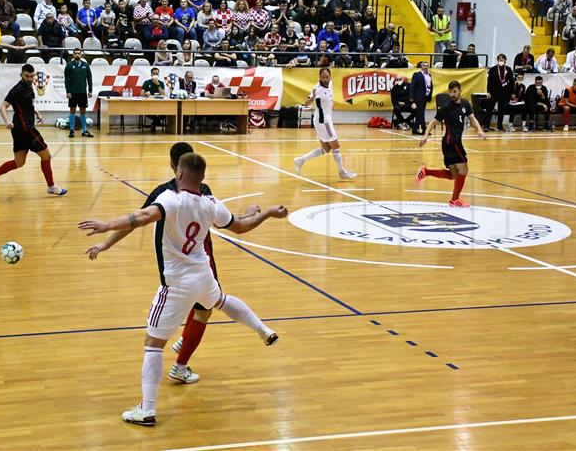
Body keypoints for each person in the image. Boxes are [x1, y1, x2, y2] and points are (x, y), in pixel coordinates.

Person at [80, 152, 286, 426]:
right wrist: (267, 213)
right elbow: (242, 226)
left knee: (153, 345)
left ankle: (147, 410)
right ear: (203, 178)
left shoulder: (170, 198)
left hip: (176, 284)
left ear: (178, 174)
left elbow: (142, 217)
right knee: (220, 301)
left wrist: (106, 225)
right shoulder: (211, 203)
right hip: (204, 274)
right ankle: (262, 329)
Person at [0, 64, 67, 196]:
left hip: (19, 130)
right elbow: (3, 106)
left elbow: (27, 105)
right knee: (46, 156)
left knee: (19, 162)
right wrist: (7, 121)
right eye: (27, 76)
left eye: (32, 76)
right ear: (21, 74)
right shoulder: (17, 89)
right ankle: (51, 186)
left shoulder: (29, 86)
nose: (30, 78)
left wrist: (36, 112)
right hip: (26, 129)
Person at [416, 80, 486, 208]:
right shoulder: (446, 107)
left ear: (460, 91)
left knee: (454, 175)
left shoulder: (465, 103)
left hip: (450, 143)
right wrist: (425, 136)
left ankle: (426, 172)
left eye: (454, 91)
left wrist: (480, 130)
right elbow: (433, 122)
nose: (452, 94)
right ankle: (455, 200)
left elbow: (472, 118)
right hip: (451, 142)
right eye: (450, 92)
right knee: (464, 169)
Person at [293, 68, 357, 180]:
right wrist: (313, 97)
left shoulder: (330, 83)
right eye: (323, 77)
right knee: (336, 146)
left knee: (326, 148)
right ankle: (342, 172)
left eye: (327, 77)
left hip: (323, 119)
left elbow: (330, 95)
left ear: (330, 76)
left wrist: (331, 103)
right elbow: (306, 104)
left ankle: (300, 160)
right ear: (320, 77)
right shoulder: (317, 90)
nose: (325, 79)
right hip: (323, 121)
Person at [64, 49, 94, 138]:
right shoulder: (69, 65)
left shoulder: (86, 65)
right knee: (72, 111)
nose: (77, 55)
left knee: (83, 111)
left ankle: (84, 131)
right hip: (72, 92)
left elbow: (89, 78)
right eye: (75, 53)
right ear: (73, 55)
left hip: (82, 92)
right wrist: (68, 91)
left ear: (81, 55)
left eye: (79, 53)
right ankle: (72, 130)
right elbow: (66, 80)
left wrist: (90, 90)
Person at [485, 54, 515, 131]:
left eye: (502, 59)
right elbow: (489, 81)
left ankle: (499, 126)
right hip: (493, 92)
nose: (501, 60)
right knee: (489, 109)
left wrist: (512, 93)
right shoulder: (493, 69)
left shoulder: (508, 69)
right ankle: (486, 125)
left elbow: (512, 82)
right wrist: (488, 91)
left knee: (501, 110)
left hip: (504, 93)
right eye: (499, 59)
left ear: (505, 60)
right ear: (497, 60)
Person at [410, 61, 433, 134]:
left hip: (426, 96)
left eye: (427, 65)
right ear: (421, 67)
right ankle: (424, 129)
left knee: (419, 113)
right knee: (421, 113)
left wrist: (429, 95)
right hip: (419, 97)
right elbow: (412, 87)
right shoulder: (417, 75)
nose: (425, 67)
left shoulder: (429, 75)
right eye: (423, 65)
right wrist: (412, 98)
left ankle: (415, 128)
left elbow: (430, 86)